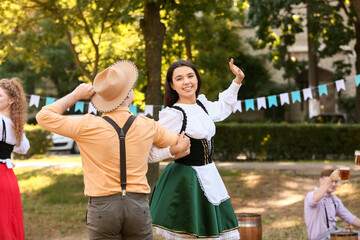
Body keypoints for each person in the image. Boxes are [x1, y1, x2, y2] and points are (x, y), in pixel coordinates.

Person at [36, 60, 190, 240]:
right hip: (137, 205)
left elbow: (43, 116)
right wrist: (173, 150)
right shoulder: (147, 125)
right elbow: (182, 145)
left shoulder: (86, 125)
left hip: (102, 207)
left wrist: (76, 94)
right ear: (128, 96)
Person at [148, 59, 245, 239]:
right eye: (179, 78)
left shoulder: (202, 105)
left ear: (197, 79)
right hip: (186, 181)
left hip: (210, 175)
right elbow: (150, 153)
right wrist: (174, 150)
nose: (186, 82)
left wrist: (237, 80)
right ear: (172, 85)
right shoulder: (174, 114)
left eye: (190, 76)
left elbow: (223, 108)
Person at [0, 78, 30, 240]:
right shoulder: (14, 125)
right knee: (9, 221)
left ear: (11, 100)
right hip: (8, 177)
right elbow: (23, 148)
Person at [304, 168, 360, 240]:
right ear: (320, 180)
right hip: (321, 238)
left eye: (335, 182)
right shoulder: (311, 195)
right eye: (331, 181)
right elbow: (315, 199)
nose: (333, 184)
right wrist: (330, 179)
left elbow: (351, 218)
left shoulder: (334, 199)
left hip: (334, 233)